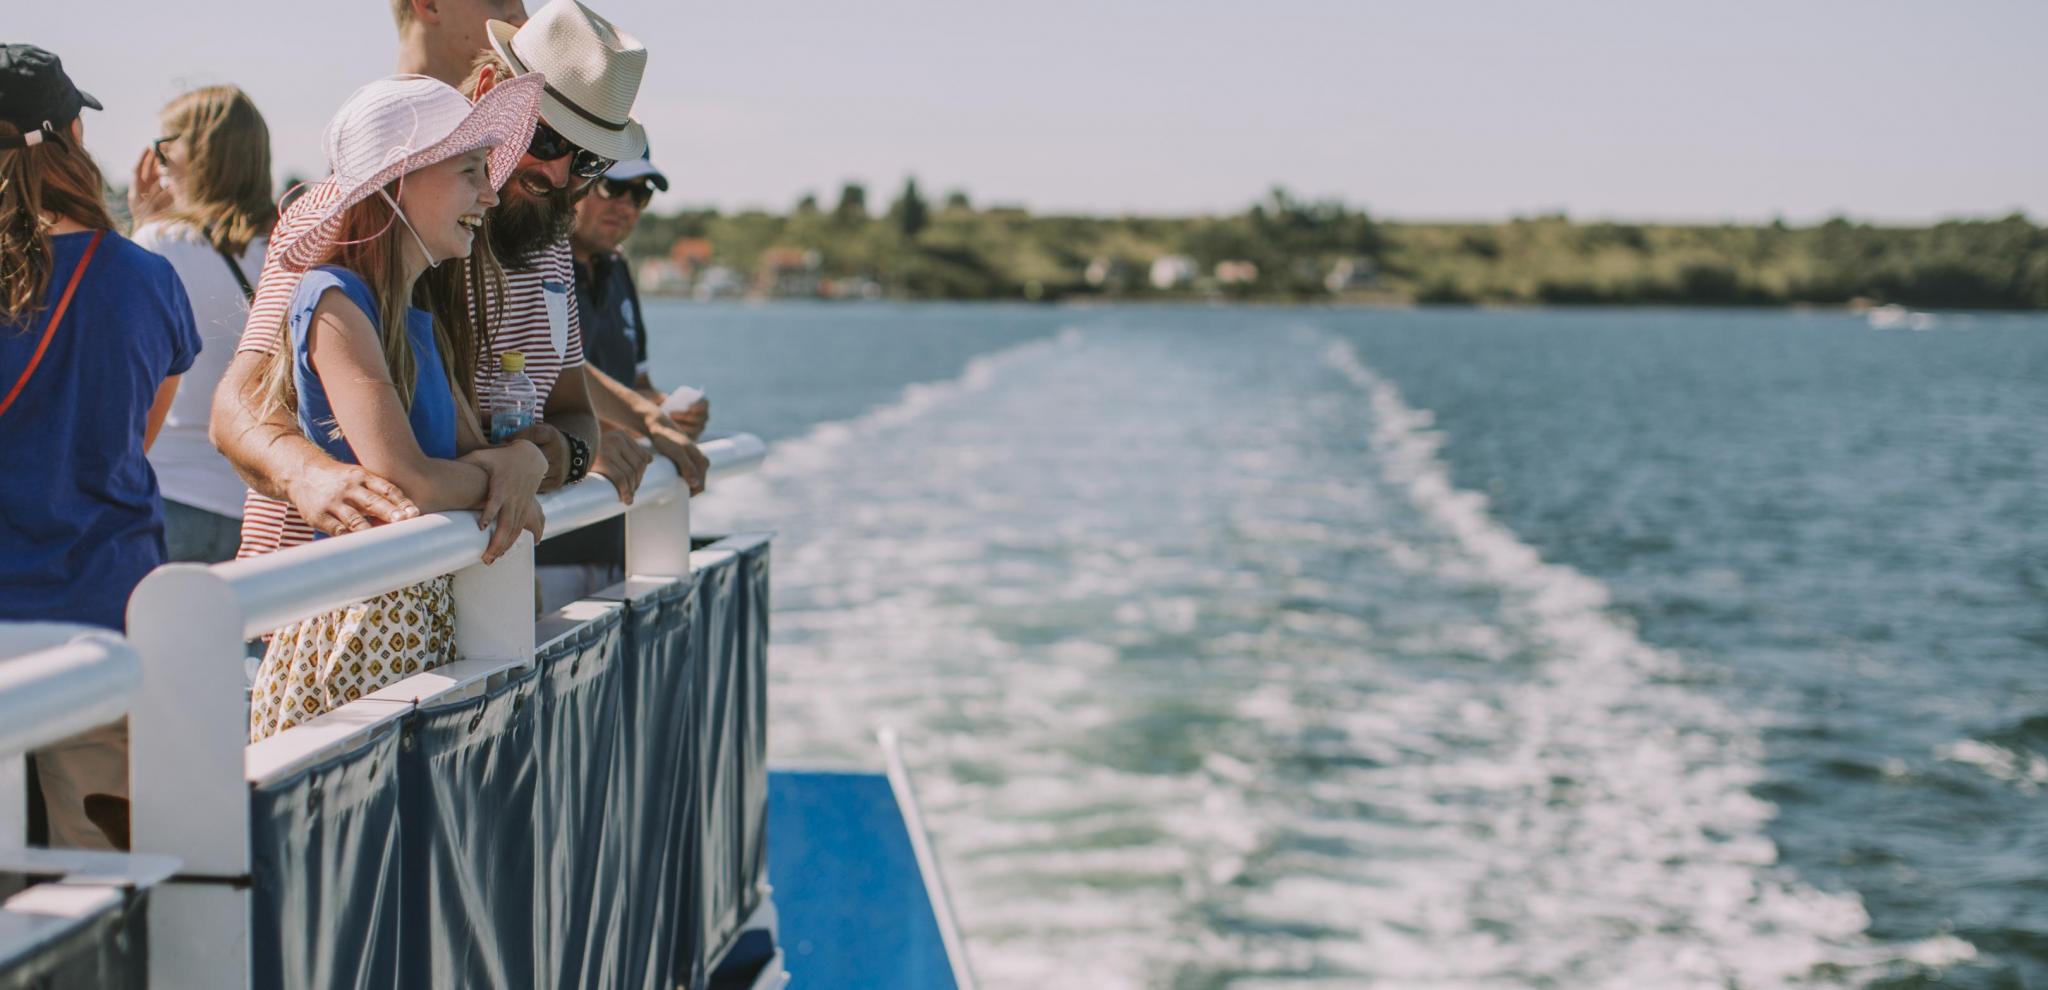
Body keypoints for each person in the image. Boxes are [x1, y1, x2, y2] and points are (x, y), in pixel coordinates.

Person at [211, 0, 682, 572]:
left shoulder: (551, 244)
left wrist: (556, 456)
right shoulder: (360, 213)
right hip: (316, 583)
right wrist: (313, 478)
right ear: (489, 88)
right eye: (548, 137)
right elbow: (238, 406)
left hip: (455, 597)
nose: (559, 177)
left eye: (588, 161)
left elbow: (572, 414)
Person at [243, 72, 551, 741]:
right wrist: (511, 474)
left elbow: (469, 461)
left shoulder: (415, 320)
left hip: (416, 631)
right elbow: (407, 479)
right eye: (470, 170)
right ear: (397, 181)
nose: (491, 194)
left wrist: (519, 459)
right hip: (358, 637)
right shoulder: (333, 300)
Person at [0, 45, 201, 848]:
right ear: (75, 136)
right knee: (107, 907)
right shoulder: (144, 279)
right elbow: (138, 438)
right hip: (104, 622)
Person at [539, 145, 711, 604]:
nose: (626, 205)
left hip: (618, 532)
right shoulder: (535, 264)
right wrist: (642, 422)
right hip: (544, 546)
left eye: (641, 194)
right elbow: (536, 373)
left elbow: (635, 386)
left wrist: (669, 412)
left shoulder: (617, 271)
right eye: (614, 186)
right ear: (575, 178)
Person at [128, 85, 274, 563]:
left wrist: (141, 226)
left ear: (202, 154)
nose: (159, 162)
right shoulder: (289, 247)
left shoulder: (158, 243)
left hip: (171, 491)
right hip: (262, 501)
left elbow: (132, 373)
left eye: (165, 147)